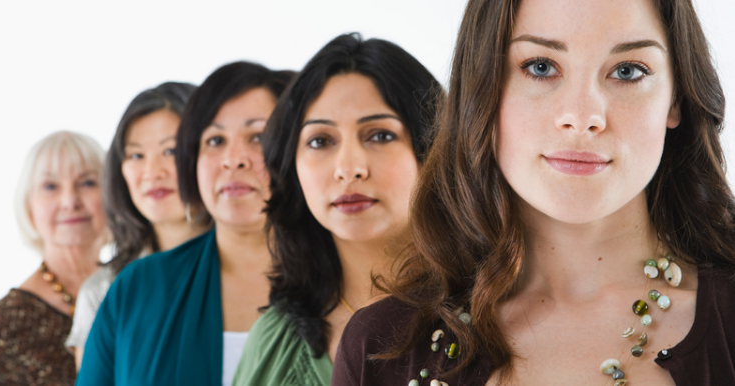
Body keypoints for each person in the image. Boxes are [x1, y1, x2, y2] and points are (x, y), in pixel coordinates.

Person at [332, 0, 734, 385]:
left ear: (676, 98)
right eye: (540, 67)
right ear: (482, 88)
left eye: (628, 70)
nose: (581, 117)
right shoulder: (380, 349)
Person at [232, 33, 442, 385]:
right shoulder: (274, 342)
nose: (349, 168)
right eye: (320, 141)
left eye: (380, 135)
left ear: (434, 148)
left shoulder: (497, 316)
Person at [76, 62, 293, 386]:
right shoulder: (135, 287)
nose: (233, 159)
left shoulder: (340, 278)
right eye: (215, 140)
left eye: (258, 136)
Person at [66, 81, 209, 371]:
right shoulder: (103, 289)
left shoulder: (258, 266)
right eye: (136, 155)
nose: (152, 172)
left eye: (171, 151)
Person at [0, 131, 106, 385]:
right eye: (50, 186)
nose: (70, 201)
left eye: (87, 182)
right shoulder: (3, 327)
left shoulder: (136, 285)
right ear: (29, 208)